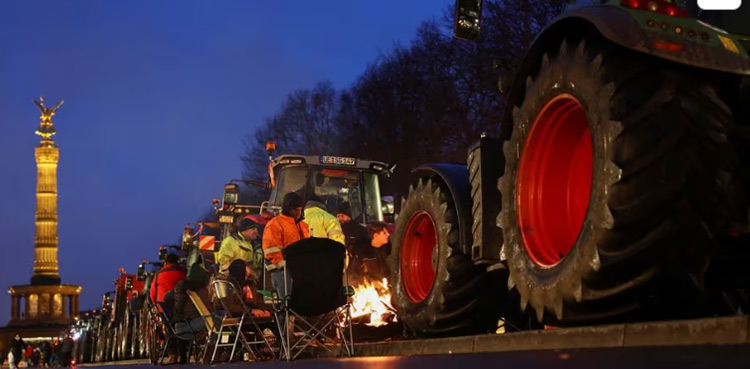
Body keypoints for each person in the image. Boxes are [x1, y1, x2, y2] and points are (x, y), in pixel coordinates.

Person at [262, 192, 310, 304]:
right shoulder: (275, 224)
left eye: (300, 209)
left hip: (299, 270)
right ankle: (285, 322)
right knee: (286, 304)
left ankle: (294, 321)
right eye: (296, 210)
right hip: (282, 271)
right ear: (288, 208)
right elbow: (271, 250)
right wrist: (285, 266)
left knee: (298, 303)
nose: (298, 212)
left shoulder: (303, 225)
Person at [337, 202, 371, 281]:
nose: (340, 218)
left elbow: (365, 248)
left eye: (342, 216)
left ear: (349, 217)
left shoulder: (360, 230)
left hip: (356, 266)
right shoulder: (336, 228)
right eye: (338, 216)